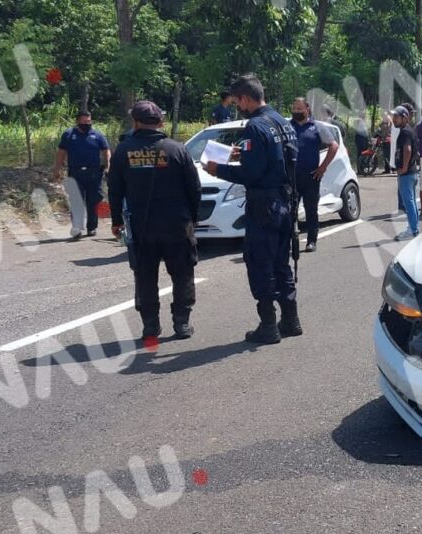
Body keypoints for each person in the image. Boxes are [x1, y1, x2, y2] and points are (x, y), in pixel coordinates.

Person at [204, 74, 302, 344]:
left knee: (260, 262)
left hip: (263, 204)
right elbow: (275, 158)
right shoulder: (283, 122)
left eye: (237, 102)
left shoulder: (255, 127)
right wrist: (242, 154)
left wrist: (218, 168)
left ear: (245, 98)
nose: (237, 107)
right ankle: (291, 319)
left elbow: (251, 173)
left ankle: (268, 325)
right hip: (287, 201)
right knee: (282, 261)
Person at [107, 101, 202, 341]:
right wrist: (193, 217)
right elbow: (194, 188)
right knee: (182, 274)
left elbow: (115, 190)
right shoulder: (176, 149)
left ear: (136, 122)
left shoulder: (123, 151)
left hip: (142, 227)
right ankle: (181, 323)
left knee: (145, 277)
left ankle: (150, 326)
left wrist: (116, 220)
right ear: (160, 122)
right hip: (177, 226)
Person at [290, 97, 339, 253]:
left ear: (307, 109)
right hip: (291, 178)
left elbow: (333, 145)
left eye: (300, 109)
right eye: (294, 109)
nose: (297, 112)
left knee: (311, 211)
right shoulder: (287, 127)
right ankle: (290, 241)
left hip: (312, 177)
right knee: (290, 212)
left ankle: (311, 241)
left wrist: (323, 167)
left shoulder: (316, 127)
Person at [51, 111, 111, 240]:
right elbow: (61, 152)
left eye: (89, 122)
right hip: (75, 172)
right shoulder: (68, 135)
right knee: (76, 200)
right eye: (84, 122)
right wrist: (57, 168)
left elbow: (106, 151)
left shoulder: (97, 135)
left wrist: (107, 166)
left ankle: (92, 227)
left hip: (94, 173)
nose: (87, 124)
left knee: (93, 201)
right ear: (77, 121)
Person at [391, 106, 419, 241]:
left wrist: (404, 168)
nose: (393, 119)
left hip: (407, 173)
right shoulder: (408, 131)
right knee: (411, 201)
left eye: (396, 117)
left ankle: (412, 230)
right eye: (393, 116)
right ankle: (414, 228)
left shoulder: (405, 132)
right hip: (411, 172)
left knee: (408, 202)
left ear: (405, 117)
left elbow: (407, 150)